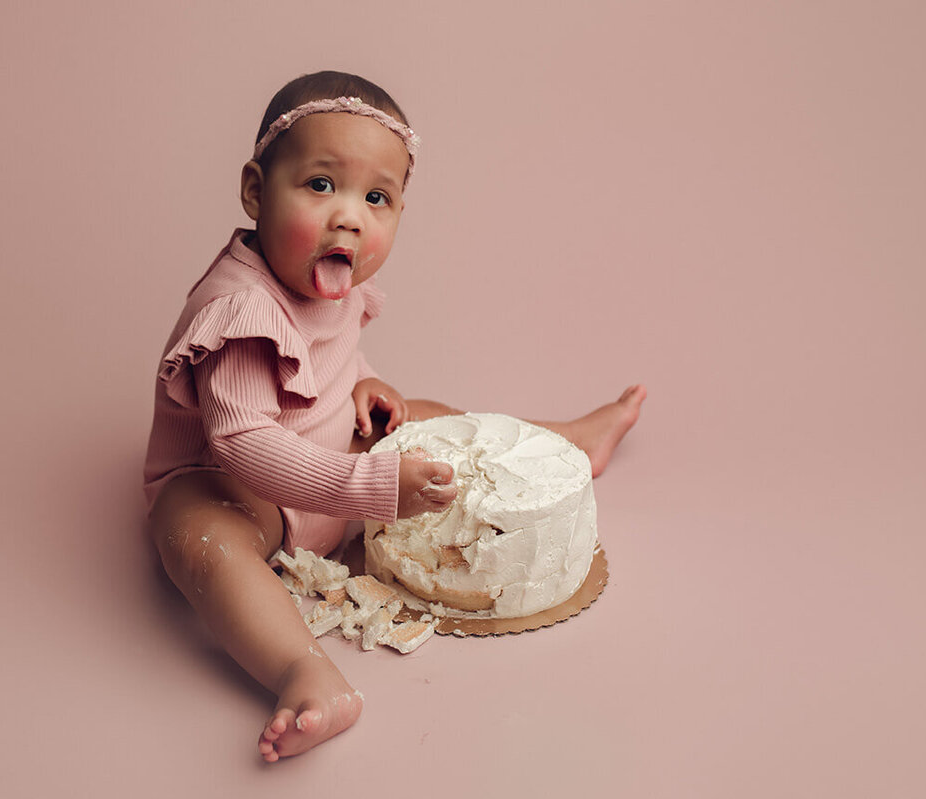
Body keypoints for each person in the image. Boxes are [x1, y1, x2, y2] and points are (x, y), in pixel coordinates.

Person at [143, 70, 646, 763]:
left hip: (331, 460)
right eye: (320, 185)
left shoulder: (327, 274)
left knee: (435, 418)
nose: (349, 215)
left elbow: (331, 349)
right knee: (197, 534)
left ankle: (562, 441)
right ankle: (303, 670)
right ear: (257, 190)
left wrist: (366, 383)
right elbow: (244, 440)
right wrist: (373, 488)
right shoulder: (242, 311)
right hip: (244, 491)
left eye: (376, 197)